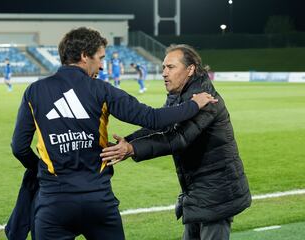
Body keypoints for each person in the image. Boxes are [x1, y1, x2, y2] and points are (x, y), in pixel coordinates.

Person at [10, 29, 217, 240]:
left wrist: (40, 168)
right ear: (84, 55)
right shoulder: (102, 90)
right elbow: (153, 118)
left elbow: (18, 147)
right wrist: (193, 104)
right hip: (98, 202)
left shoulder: (34, 92)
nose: (101, 65)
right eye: (100, 58)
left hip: (53, 205)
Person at [101, 44, 252, 240]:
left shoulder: (206, 100)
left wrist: (132, 149)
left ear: (190, 70)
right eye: (163, 67)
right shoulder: (179, 97)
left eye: (170, 67)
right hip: (197, 190)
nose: (164, 73)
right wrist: (127, 142)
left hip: (217, 191)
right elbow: (161, 126)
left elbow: (179, 137)